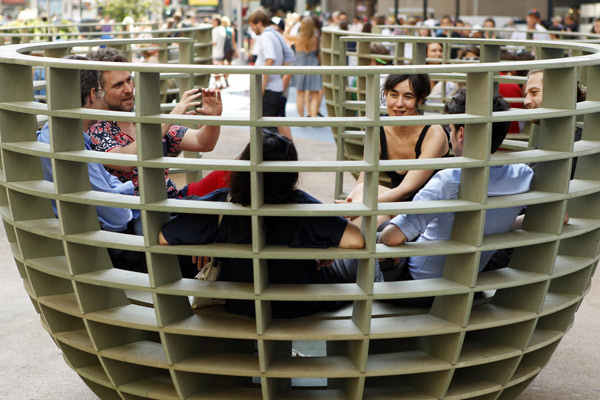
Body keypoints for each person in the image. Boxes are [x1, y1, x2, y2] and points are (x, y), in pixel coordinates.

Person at [159, 130, 365, 318]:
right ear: (291, 173)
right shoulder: (301, 205)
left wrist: (205, 243)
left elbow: (164, 237)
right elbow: (355, 240)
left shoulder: (223, 204)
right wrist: (322, 246)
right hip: (301, 305)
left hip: (242, 305)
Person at [376, 89, 533, 281]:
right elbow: (556, 217)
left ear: (460, 133)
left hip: (417, 284)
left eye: (450, 129)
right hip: (469, 278)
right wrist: (498, 224)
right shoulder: (521, 175)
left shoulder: (448, 180)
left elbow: (392, 238)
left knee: (371, 239)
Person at [85, 47, 223, 198]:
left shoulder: (140, 116)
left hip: (173, 200)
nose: (129, 89)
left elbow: (202, 142)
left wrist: (213, 118)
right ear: (99, 91)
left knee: (233, 175)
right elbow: (125, 161)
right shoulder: (95, 128)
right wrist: (170, 118)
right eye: (118, 85)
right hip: (147, 213)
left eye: (129, 80)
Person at [339, 74, 449, 228]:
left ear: (420, 99)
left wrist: (360, 207)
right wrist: (351, 204)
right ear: (385, 95)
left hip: (430, 213)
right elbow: (363, 182)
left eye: (408, 97)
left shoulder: (434, 133)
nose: (399, 103)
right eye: (393, 95)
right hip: (398, 208)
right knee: (364, 198)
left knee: (367, 219)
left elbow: (406, 189)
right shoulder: (379, 131)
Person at [248, 9, 295, 139]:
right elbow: (290, 57)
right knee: (273, 124)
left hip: (268, 89)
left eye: (252, 25)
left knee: (267, 128)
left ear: (258, 23)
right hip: (276, 87)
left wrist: (262, 84)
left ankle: (269, 156)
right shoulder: (276, 34)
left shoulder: (265, 36)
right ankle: (286, 153)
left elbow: (270, 58)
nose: (252, 29)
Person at [284, 17, 322, 117]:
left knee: (300, 93)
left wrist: (291, 25)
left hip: (299, 64)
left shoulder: (297, 37)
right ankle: (313, 117)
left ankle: (301, 118)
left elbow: (285, 35)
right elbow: (318, 52)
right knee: (314, 94)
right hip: (313, 64)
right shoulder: (315, 37)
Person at [212, 14, 227, 89]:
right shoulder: (223, 29)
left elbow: (214, 42)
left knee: (216, 70)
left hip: (215, 53)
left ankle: (217, 84)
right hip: (221, 52)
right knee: (220, 69)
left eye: (213, 20)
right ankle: (221, 83)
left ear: (216, 21)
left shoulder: (215, 30)